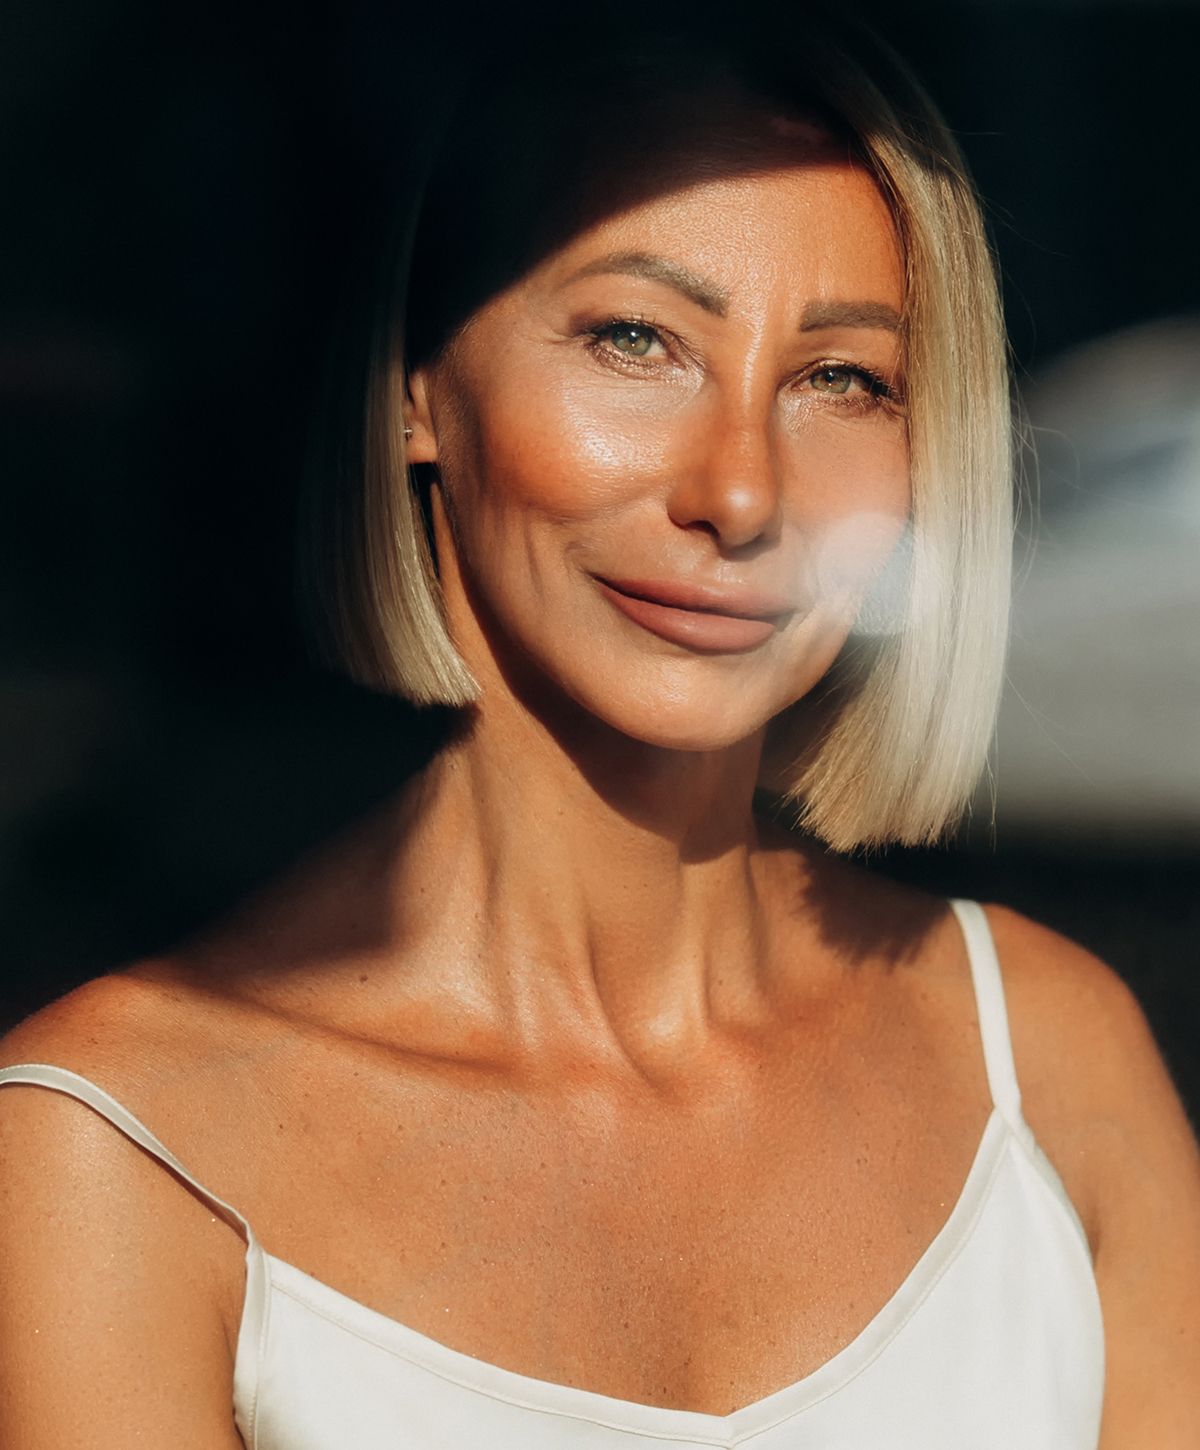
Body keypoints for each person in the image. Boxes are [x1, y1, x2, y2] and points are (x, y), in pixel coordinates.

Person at [1, 11, 1197, 1448]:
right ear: (415, 385)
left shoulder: (1052, 1061)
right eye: (637, 340)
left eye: (843, 379)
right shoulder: (111, 1152)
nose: (741, 493)